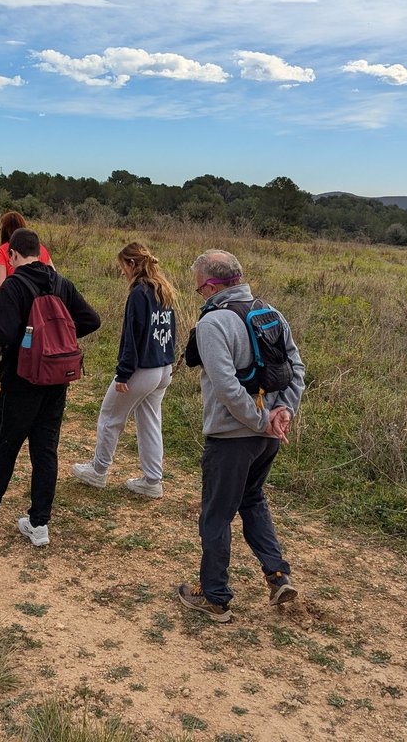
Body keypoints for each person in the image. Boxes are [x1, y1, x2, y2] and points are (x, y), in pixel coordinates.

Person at [176, 249, 305, 622]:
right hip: (266, 437)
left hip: (233, 437)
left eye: (199, 285)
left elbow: (226, 388)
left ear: (213, 285)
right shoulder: (271, 312)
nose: (198, 291)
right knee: (252, 500)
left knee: (215, 515)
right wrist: (283, 412)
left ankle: (214, 596)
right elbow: (296, 368)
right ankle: (278, 574)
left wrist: (261, 419)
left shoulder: (213, 324)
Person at [0, 228, 100, 547]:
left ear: (12, 255)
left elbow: (1, 333)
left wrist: (23, 343)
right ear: (40, 253)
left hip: (21, 378)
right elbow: (91, 320)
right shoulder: (61, 283)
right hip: (57, 378)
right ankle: (39, 523)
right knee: (46, 449)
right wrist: (58, 341)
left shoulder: (13, 285)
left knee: (7, 442)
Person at [72, 242, 177, 499]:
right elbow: (169, 331)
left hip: (142, 368)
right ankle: (152, 480)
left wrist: (123, 373)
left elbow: (132, 336)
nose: (121, 272)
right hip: (163, 367)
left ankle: (98, 471)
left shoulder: (139, 294)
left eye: (122, 266)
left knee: (110, 416)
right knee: (150, 421)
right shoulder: (163, 289)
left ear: (132, 264)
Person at [0, 211, 52, 292]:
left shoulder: (4, 249)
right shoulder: (39, 247)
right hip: (42, 300)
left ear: (4, 230)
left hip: (16, 298)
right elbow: (53, 275)